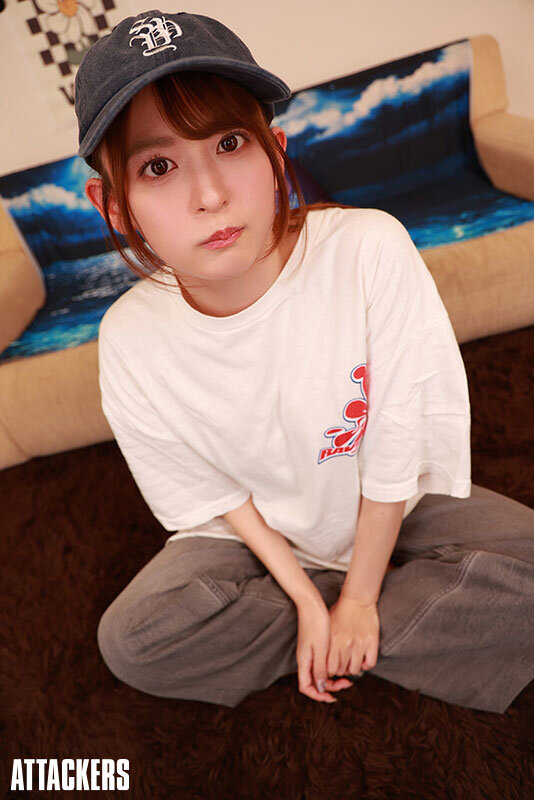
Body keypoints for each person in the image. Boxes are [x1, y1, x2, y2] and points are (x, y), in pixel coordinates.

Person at [75, 10, 534, 712]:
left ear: (275, 150)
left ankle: (350, 624)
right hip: (256, 541)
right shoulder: (130, 338)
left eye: (230, 143)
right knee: (135, 641)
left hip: (396, 506)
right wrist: (310, 600)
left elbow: (395, 440)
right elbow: (214, 494)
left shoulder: (367, 250)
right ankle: (343, 626)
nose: (210, 195)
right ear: (113, 206)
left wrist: (361, 596)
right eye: (158, 166)